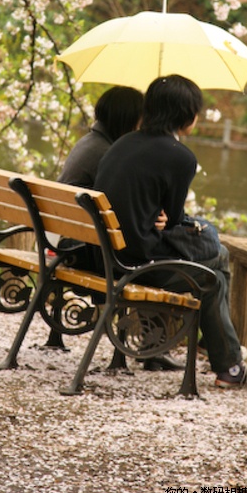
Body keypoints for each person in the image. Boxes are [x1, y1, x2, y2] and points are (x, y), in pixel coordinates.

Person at [95, 74, 247, 393]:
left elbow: (160, 215)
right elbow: (174, 218)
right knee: (214, 267)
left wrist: (161, 219)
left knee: (214, 262)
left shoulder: (124, 142)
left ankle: (224, 352)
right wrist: (168, 220)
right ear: (186, 114)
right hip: (135, 264)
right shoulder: (180, 157)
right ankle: (227, 361)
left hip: (104, 255)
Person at [54, 85, 181, 372]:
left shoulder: (88, 142)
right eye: (140, 118)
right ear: (128, 119)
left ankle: (150, 348)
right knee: (150, 255)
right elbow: (126, 212)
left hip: (72, 242)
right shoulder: (108, 153)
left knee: (147, 251)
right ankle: (151, 348)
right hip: (87, 250)